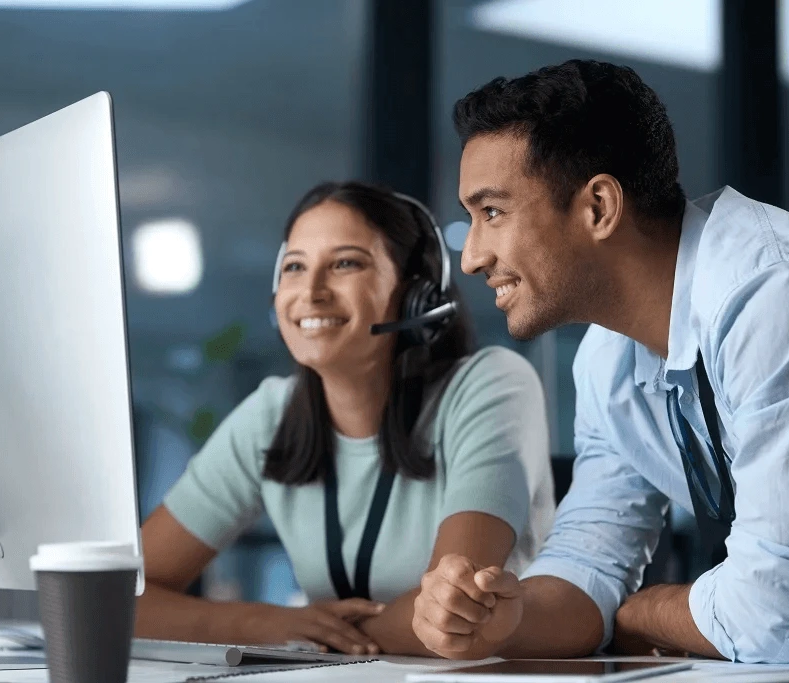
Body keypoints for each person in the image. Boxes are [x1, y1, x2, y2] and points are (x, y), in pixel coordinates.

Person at [411, 59, 789, 664]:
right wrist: (501, 619)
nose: (470, 257)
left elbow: (773, 619)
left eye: (491, 213)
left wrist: (635, 611)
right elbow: (588, 566)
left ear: (599, 206)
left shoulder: (784, 296)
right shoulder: (607, 361)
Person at [135, 181, 555, 656]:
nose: (311, 292)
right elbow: (125, 600)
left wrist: (329, 639)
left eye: (345, 264)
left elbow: (454, 610)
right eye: (295, 267)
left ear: (415, 295)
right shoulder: (271, 413)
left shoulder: (491, 384)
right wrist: (266, 623)